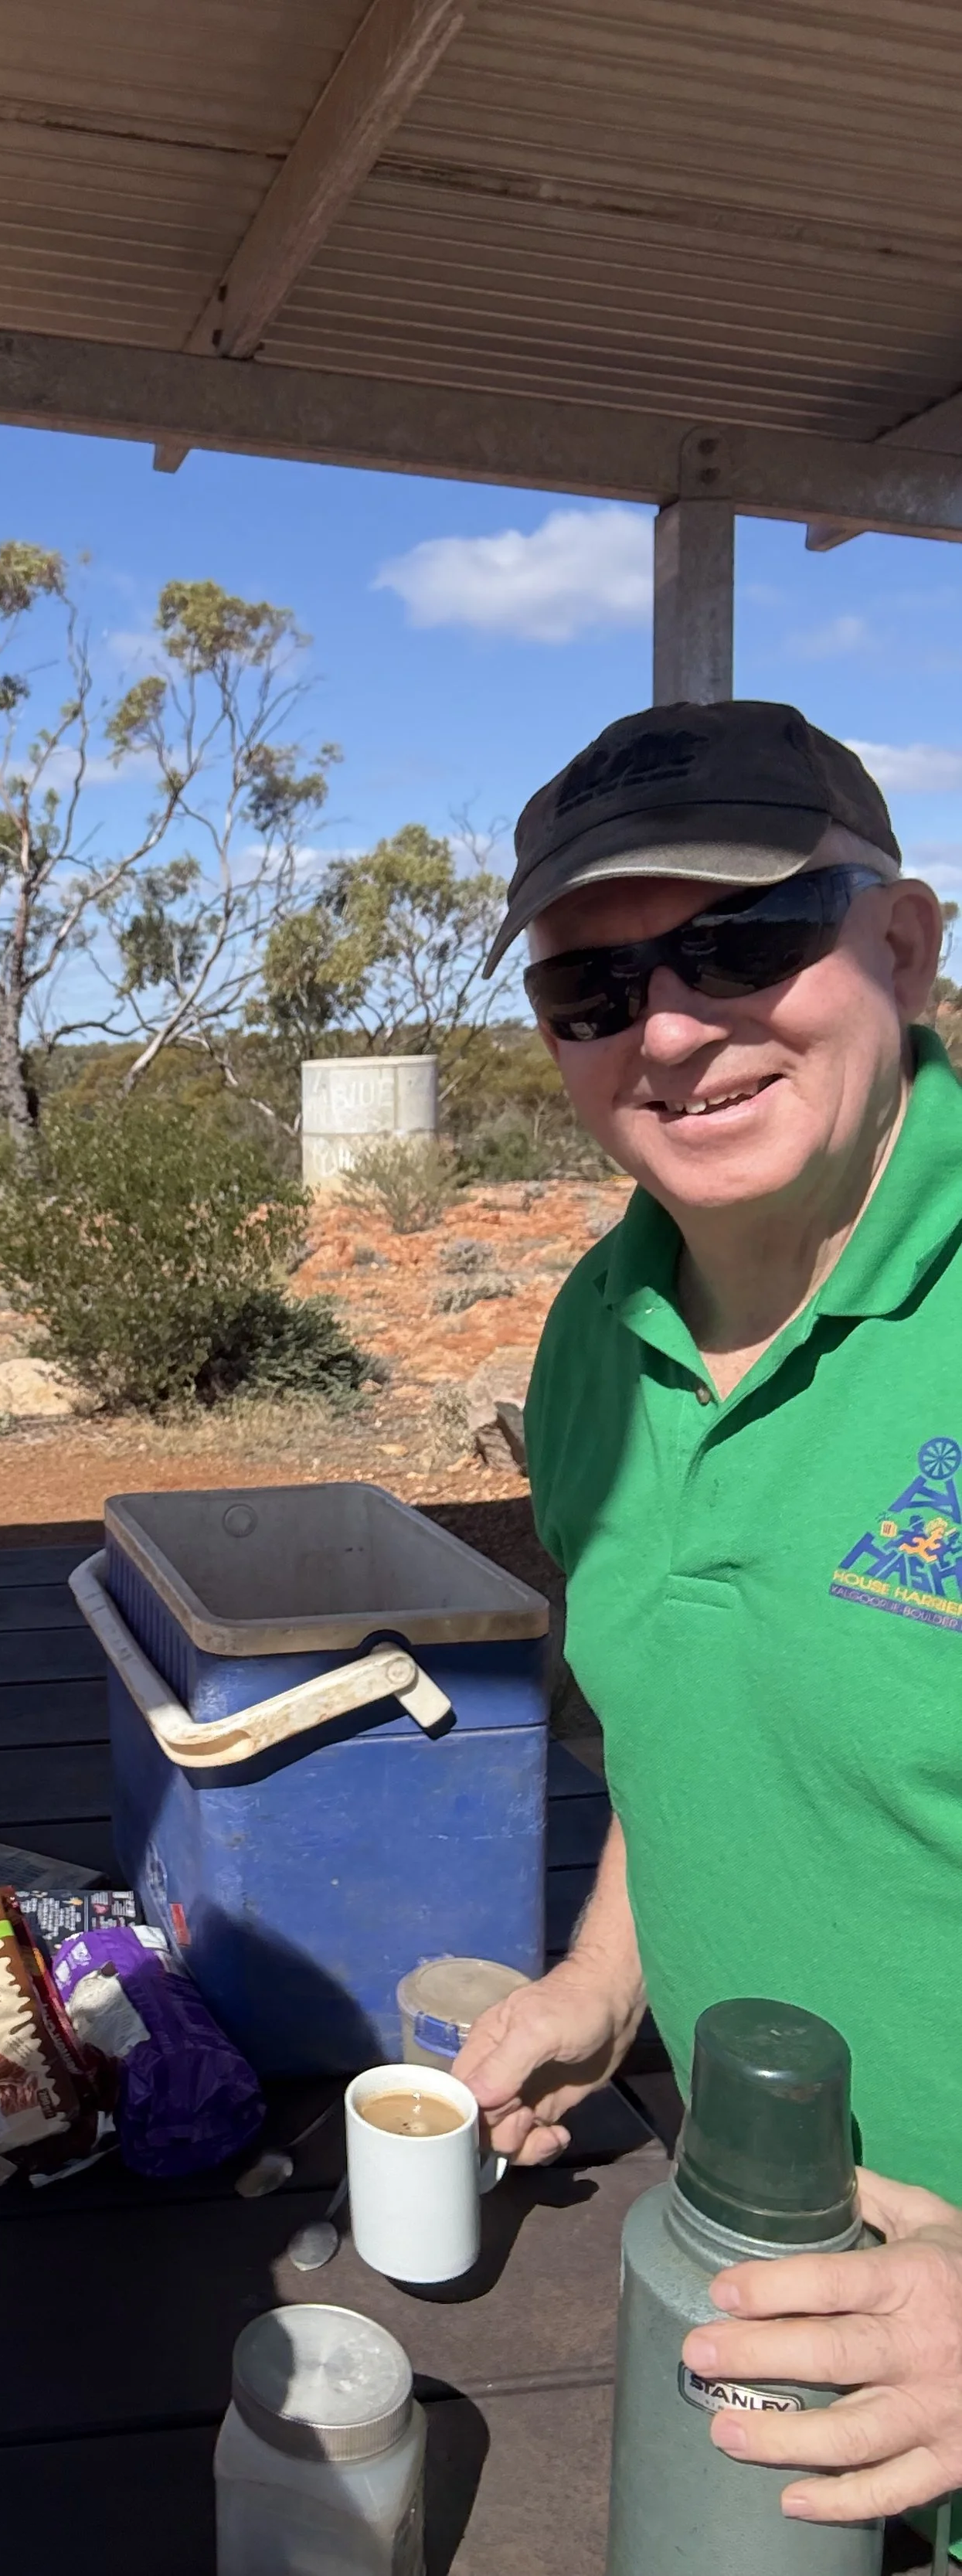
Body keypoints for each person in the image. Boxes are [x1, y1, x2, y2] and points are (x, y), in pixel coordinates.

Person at [451, 699, 962, 2537]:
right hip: (764, 2372)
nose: (666, 1032)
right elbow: (693, 1717)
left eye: (740, 941)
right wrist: (607, 1982)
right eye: (590, 990)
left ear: (897, 944)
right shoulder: (600, 1328)